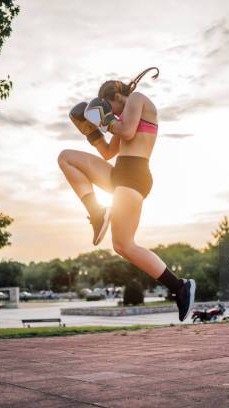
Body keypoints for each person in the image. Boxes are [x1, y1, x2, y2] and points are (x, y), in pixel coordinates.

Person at [58, 67, 196, 321]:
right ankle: (96, 212)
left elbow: (129, 131)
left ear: (116, 96)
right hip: (119, 174)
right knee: (66, 158)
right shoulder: (119, 117)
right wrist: (91, 131)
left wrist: (105, 119)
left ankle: (180, 286)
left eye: (110, 107)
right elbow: (109, 152)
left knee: (123, 245)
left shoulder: (137, 99)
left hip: (134, 176)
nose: (114, 113)